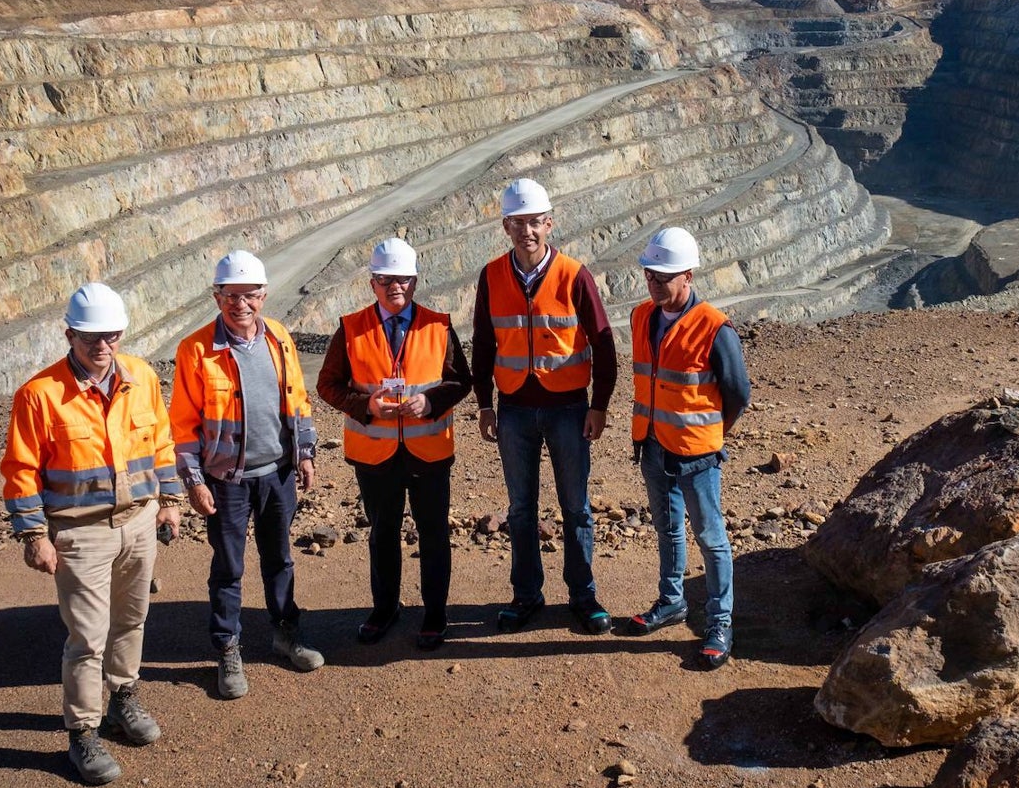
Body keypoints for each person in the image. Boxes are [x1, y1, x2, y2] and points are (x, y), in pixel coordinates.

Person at [1, 283, 183, 785]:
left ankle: (123, 698)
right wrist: (34, 535)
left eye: (111, 334)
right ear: (70, 334)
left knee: (132, 620)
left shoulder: (142, 377)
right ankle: (82, 731)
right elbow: (21, 471)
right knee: (87, 638)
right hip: (80, 536)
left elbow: (161, 443)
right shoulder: (40, 395)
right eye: (90, 336)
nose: (102, 345)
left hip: (140, 524)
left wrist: (168, 502)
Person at [169, 250, 322, 700]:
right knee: (229, 567)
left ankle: (285, 634)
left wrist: (305, 454)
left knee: (280, 560)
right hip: (226, 481)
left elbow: (298, 400)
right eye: (230, 295)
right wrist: (194, 481)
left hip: (276, 472)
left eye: (250, 295)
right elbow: (182, 424)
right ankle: (228, 649)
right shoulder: (196, 349)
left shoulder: (278, 337)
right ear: (217, 297)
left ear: (263, 296)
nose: (241, 304)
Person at [472, 178, 617, 635]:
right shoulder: (492, 275)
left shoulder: (575, 275)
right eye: (518, 224)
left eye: (535, 222)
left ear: (549, 223)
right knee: (520, 509)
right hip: (514, 408)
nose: (527, 232)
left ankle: (583, 595)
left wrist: (600, 406)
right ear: (506, 227)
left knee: (575, 506)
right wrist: (484, 404)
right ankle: (526, 595)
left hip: (569, 409)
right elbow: (482, 344)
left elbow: (604, 343)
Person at [317, 237, 472, 650]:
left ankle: (435, 614)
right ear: (373, 284)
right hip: (375, 455)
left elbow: (461, 381)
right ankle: (385, 609)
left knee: (434, 533)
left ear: (415, 281)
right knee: (382, 533)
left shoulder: (438, 326)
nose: (394, 287)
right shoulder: (351, 328)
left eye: (402, 279)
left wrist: (430, 401)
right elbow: (327, 385)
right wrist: (365, 405)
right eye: (386, 280)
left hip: (429, 453)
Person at [624, 227, 751, 670]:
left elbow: (737, 392)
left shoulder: (715, 328)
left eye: (663, 275)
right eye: (649, 273)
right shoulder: (643, 317)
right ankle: (672, 601)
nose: (654, 282)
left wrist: (714, 434)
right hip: (654, 445)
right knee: (668, 529)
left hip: (697, 454)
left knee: (711, 540)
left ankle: (720, 623)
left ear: (688, 275)